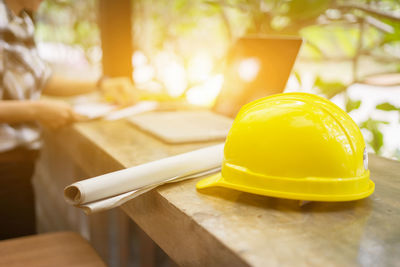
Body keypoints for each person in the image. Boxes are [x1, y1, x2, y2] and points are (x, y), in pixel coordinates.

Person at [0, 0, 135, 239]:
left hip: (19, 167)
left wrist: (102, 83)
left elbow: (43, 79)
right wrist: (37, 110)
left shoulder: (20, 20)